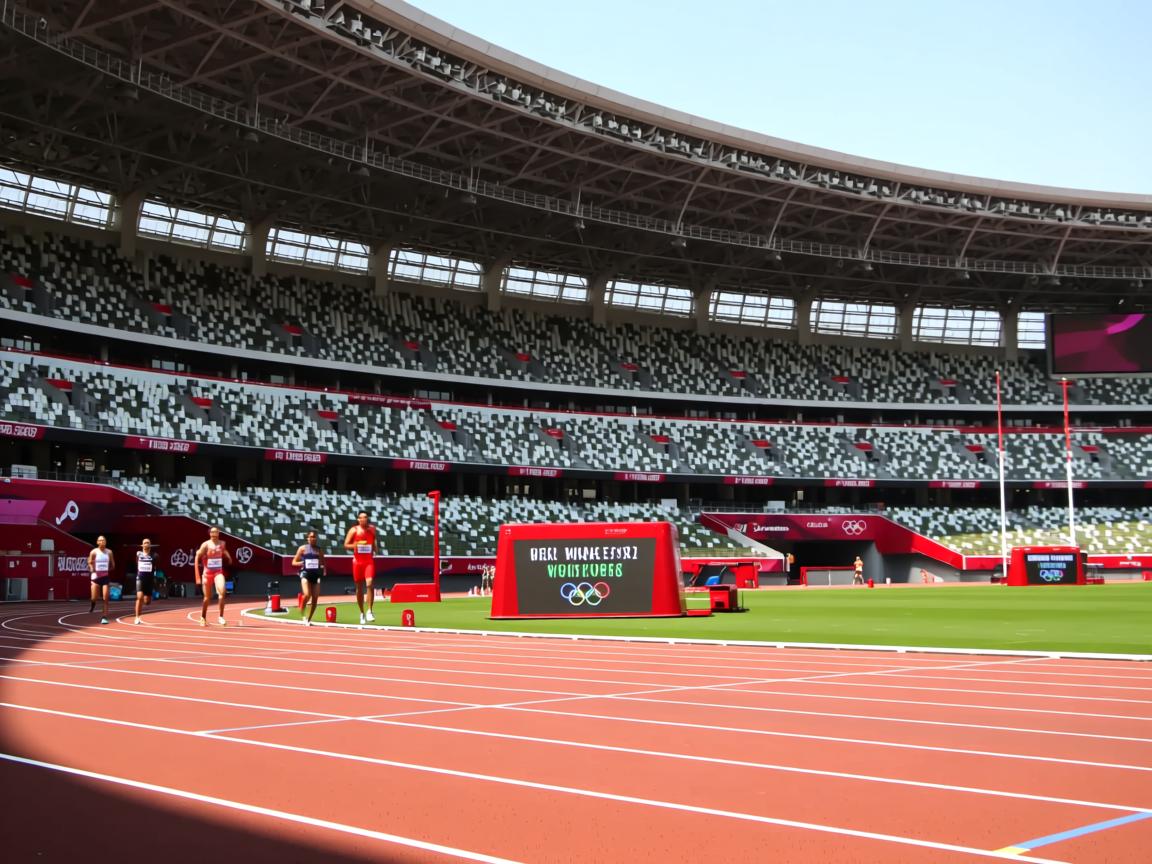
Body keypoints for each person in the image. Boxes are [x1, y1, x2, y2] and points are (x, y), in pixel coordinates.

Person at [343, 511, 377, 624]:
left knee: (370, 583)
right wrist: (356, 545)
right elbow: (345, 545)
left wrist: (376, 548)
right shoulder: (354, 530)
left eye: (365, 517)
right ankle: (362, 612)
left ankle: (370, 611)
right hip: (357, 562)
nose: (363, 519)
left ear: (368, 518)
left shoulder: (372, 529)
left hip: (368, 561)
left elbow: (374, 540)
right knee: (359, 588)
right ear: (358, 519)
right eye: (361, 518)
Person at [195, 526, 233, 626]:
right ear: (210, 533)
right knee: (207, 598)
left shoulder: (222, 543)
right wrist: (198, 554)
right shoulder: (206, 545)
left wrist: (228, 557)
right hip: (207, 574)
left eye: (216, 531)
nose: (215, 533)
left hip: (218, 572)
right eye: (213, 532)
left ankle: (221, 617)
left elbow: (224, 550)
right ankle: (203, 617)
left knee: (222, 592)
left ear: (219, 533)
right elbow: (198, 555)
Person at [292, 530, 325, 626]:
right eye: (310, 537)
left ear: (316, 538)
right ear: (307, 538)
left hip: (316, 575)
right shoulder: (302, 548)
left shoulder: (319, 550)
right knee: (307, 594)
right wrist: (301, 563)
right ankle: (301, 609)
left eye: (314, 537)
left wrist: (321, 567)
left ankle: (308, 619)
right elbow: (293, 562)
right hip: (305, 573)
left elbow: (323, 563)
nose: (312, 538)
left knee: (315, 598)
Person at [87, 535, 115, 624]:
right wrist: (92, 568)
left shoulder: (109, 552)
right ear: (97, 542)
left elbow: (113, 564)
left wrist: (107, 570)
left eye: (103, 540)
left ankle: (104, 617)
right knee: (94, 597)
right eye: (100, 540)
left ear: (106, 542)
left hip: (105, 577)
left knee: (105, 597)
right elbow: (89, 562)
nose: (102, 542)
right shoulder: (94, 552)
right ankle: (93, 604)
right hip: (96, 577)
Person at [133, 538, 156, 625]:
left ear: (150, 545)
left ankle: (146, 600)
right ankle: (137, 617)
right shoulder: (138, 554)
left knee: (147, 601)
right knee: (139, 597)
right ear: (142, 545)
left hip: (149, 580)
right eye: (144, 543)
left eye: (148, 543)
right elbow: (136, 563)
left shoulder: (154, 555)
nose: (146, 544)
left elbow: (155, 566)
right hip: (140, 578)